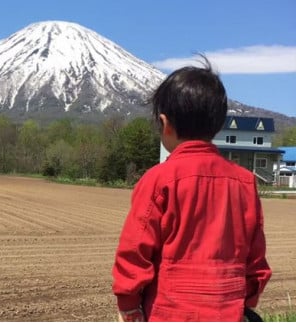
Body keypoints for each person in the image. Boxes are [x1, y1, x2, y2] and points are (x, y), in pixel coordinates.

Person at [111, 57, 272, 321]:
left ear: (164, 124)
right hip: (228, 313)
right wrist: (245, 301)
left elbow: (134, 250)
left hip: (169, 313)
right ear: (218, 124)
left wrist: (129, 305)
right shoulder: (244, 182)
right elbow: (255, 259)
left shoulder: (158, 179)